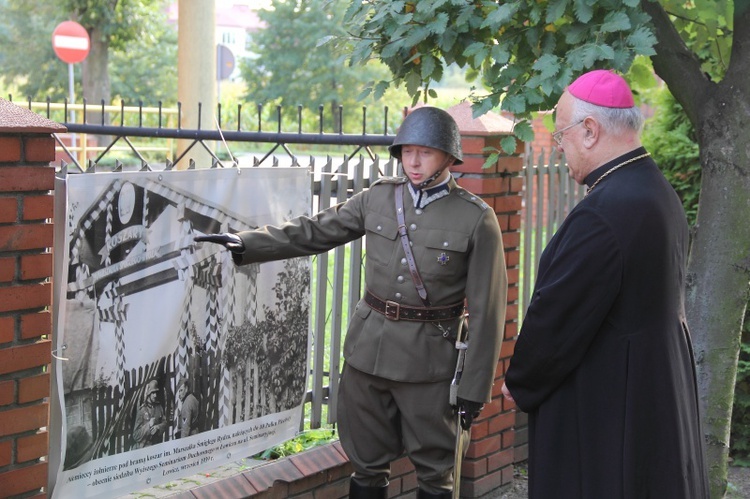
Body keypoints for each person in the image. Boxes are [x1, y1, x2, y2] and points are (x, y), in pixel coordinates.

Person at [195, 106, 507, 499]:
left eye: (425, 152)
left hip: (429, 363)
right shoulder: (378, 199)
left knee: (435, 471)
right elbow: (315, 230)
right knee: (366, 464)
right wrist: (248, 242)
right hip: (367, 356)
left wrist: (474, 387)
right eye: (406, 150)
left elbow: (488, 311)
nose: (413, 161)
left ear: (448, 156)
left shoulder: (475, 219)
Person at [501, 70, 709, 498]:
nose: (559, 150)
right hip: (652, 384)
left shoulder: (605, 210)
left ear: (590, 131)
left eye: (561, 137)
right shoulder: (655, 189)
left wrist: (520, 382)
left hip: (608, 401)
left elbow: (559, 316)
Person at [132, 379, 169, 449]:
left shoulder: (159, 407)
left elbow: (165, 423)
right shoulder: (142, 410)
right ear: (148, 393)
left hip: (157, 446)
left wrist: (158, 427)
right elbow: (135, 435)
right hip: (144, 448)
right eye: (153, 393)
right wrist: (148, 426)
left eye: (156, 393)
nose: (155, 395)